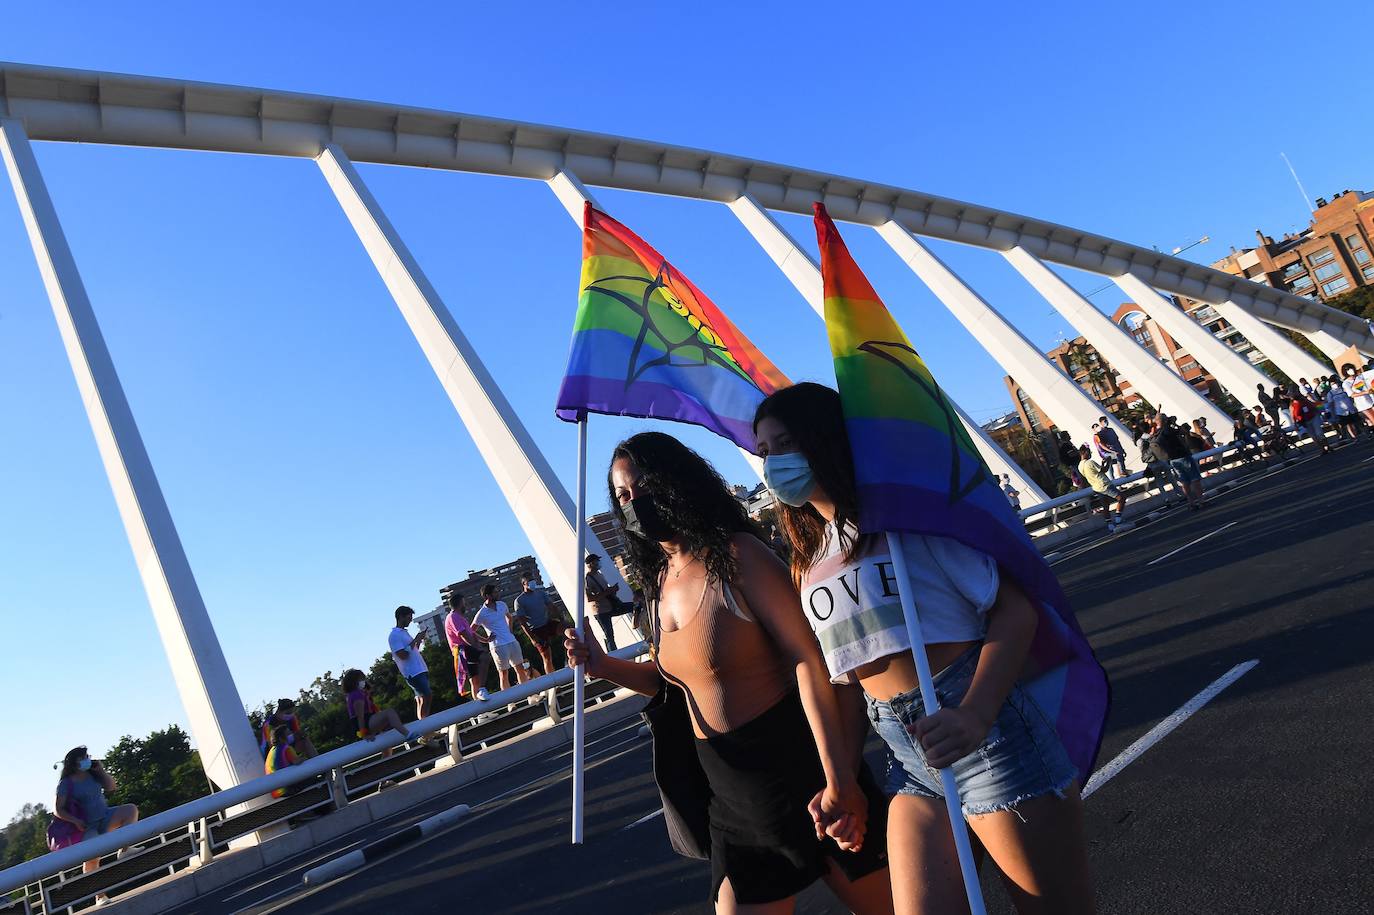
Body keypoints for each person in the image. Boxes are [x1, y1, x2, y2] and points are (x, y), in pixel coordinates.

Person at [754, 383, 1094, 914]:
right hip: (906, 755)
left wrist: (976, 713)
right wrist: (840, 780)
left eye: (785, 444)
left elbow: (1013, 609)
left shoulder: (908, 520)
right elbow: (847, 679)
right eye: (765, 452)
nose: (774, 464)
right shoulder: (809, 559)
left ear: (825, 439)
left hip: (987, 738)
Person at [564, 431, 892, 913]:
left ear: (678, 483)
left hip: (798, 771)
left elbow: (808, 659)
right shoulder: (657, 581)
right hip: (729, 794)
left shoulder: (738, 556)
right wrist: (603, 666)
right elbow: (680, 683)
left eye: (644, 488)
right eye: (623, 497)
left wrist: (838, 775)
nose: (635, 505)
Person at [53, 747, 140, 891]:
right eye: (84, 757)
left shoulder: (93, 774)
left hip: (105, 816)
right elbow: (58, 809)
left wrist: (101, 771)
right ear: (74, 762)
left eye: (88, 756)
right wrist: (74, 820)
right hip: (86, 827)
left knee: (131, 810)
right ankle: (99, 896)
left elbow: (112, 787)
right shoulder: (65, 783)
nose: (88, 759)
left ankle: (124, 850)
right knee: (93, 859)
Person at [474, 584, 533, 693]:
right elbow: (471, 630)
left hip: (511, 641)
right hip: (498, 646)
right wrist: (486, 640)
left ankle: (529, 695)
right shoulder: (481, 613)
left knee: (520, 668)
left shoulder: (502, 605)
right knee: (503, 674)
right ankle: (510, 702)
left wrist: (510, 631)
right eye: (495, 592)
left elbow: (509, 617)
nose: (497, 594)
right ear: (488, 595)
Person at [342, 668, 411, 748]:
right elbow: (360, 716)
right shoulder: (357, 695)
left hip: (368, 720)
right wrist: (364, 734)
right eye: (361, 679)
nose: (363, 681)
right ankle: (407, 734)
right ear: (354, 681)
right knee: (389, 712)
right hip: (365, 723)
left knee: (387, 746)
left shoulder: (357, 694)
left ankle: (386, 759)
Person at [443, 591, 491, 702]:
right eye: (464, 603)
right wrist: (477, 647)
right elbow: (464, 635)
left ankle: (481, 711)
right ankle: (483, 689)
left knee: (475, 679)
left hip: (465, 648)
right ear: (460, 603)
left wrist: (485, 640)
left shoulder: (460, 617)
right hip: (461, 650)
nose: (466, 605)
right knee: (484, 657)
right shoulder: (453, 617)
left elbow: (471, 633)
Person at [389, 606, 433, 724]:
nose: (410, 620)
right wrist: (415, 640)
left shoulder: (403, 633)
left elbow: (412, 650)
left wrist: (418, 640)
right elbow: (402, 655)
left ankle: (425, 726)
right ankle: (425, 726)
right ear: (401, 617)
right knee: (427, 696)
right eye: (408, 617)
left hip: (419, 669)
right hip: (413, 672)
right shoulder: (394, 635)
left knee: (421, 699)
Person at [513, 572, 563, 674]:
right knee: (546, 656)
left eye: (533, 580)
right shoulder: (519, 600)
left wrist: (561, 619)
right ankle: (553, 681)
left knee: (567, 630)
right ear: (524, 584)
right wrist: (532, 638)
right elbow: (522, 622)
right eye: (529, 581)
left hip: (547, 623)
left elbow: (551, 606)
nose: (532, 583)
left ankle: (570, 657)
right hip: (536, 629)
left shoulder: (540, 593)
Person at [1152, 415, 1203, 509]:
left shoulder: (1156, 433)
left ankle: (1191, 502)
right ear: (1165, 420)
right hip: (1182, 456)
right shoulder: (1169, 430)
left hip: (1172, 460)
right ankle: (1201, 501)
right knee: (1195, 479)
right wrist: (1174, 424)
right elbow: (1184, 432)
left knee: (1184, 482)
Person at [1078, 444, 1127, 532]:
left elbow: (1094, 472)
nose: (1090, 454)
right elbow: (1104, 470)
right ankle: (1118, 518)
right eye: (1089, 452)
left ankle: (1110, 524)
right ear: (1085, 452)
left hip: (1096, 488)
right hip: (1104, 484)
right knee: (1121, 498)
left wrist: (1102, 464)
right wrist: (1108, 461)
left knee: (1105, 506)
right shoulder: (1090, 462)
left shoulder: (1080, 466)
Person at [583, 554, 622, 652]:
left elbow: (604, 590)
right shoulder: (588, 579)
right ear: (591, 564)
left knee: (634, 607)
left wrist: (612, 590)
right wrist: (608, 591)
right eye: (596, 561)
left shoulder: (599, 574)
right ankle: (614, 656)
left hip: (610, 606)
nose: (598, 563)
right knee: (609, 635)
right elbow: (590, 598)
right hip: (601, 611)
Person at [264, 725, 303, 799]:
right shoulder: (286, 748)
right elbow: (297, 761)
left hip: (276, 794)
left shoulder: (272, 751)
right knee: (315, 779)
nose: (291, 735)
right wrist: (305, 757)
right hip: (287, 790)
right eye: (288, 734)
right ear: (281, 738)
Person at [1290, 387, 1330, 454]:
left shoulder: (1304, 400)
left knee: (1319, 433)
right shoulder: (1292, 405)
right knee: (1313, 436)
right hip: (1304, 421)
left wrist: (1320, 413)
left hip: (1313, 417)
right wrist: (1295, 424)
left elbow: (1313, 406)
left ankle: (1327, 446)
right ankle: (1322, 448)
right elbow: (1293, 415)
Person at [1341, 363, 1374, 433]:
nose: (1350, 370)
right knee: (1373, 419)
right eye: (1348, 369)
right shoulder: (1346, 383)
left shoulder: (1360, 377)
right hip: (1362, 404)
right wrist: (1365, 392)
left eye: (1351, 368)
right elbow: (1352, 395)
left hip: (1371, 400)